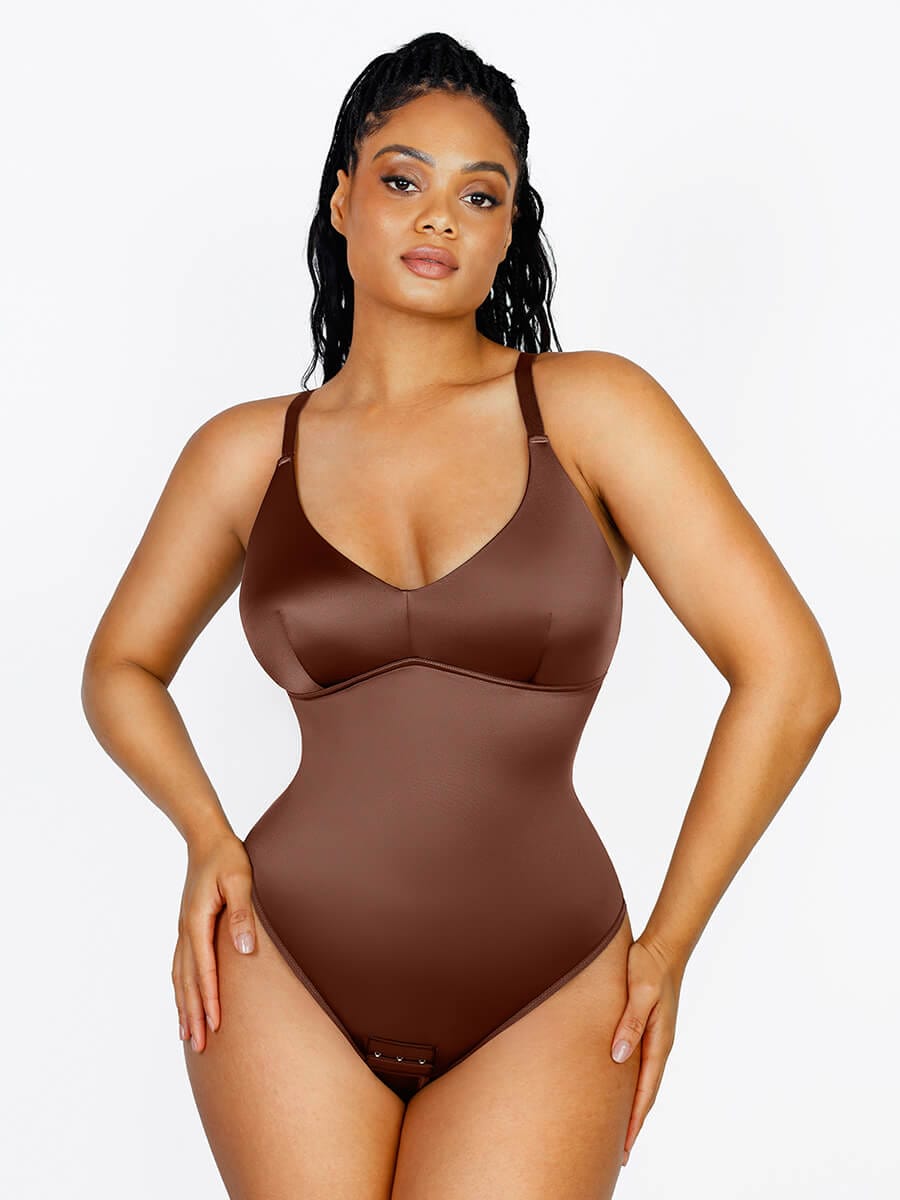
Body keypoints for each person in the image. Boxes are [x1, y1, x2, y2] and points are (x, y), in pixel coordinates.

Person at [81, 30, 841, 1200]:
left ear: (506, 232)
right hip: (281, 965)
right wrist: (206, 836)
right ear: (343, 199)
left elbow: (791, 677)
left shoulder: (592, 411)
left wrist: (671, 947)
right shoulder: (245, 453)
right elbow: (120, 666)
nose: (440, 216)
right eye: (404, 180)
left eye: (479, 196)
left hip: (548, 984)